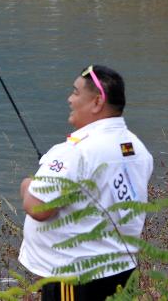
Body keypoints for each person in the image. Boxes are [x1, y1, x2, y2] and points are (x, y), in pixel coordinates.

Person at [19, 65, 153, 301]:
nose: (69, 99)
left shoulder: (77, 151)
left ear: (97, 102)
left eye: (75, 92)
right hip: (123, 271)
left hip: (76, 279)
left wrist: (28, 184)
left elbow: (38, 208)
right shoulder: (136, 148)